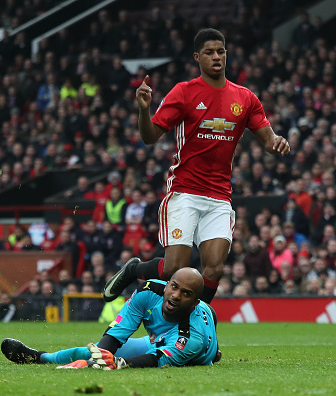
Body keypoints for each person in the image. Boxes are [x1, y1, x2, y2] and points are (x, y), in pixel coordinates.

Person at [103, 28, 290, 304]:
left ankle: (194, 325)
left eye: (221, 51)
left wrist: (278, 142)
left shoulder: (246, 98)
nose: (216, 57)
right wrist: (144, 110)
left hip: (219, 196)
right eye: (209, 52)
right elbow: (149, 136)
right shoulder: (184, 93)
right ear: (197, 57)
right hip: (185, 191)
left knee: (214, 267)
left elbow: (268, 138)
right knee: (173, 270)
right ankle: (134, 270)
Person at [1, 268, 220, 369]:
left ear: (194, 303)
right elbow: (117, 332)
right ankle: (39, 357)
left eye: (186, 294)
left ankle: (213, 352)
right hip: (158, 340)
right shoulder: (148, 291)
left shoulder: (190, 338)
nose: (175, 295)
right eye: (174, 287)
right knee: (88, 351)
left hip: (177, 346)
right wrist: (100, 355)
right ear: (167, 285)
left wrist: (119, 363)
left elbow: (156, 360)